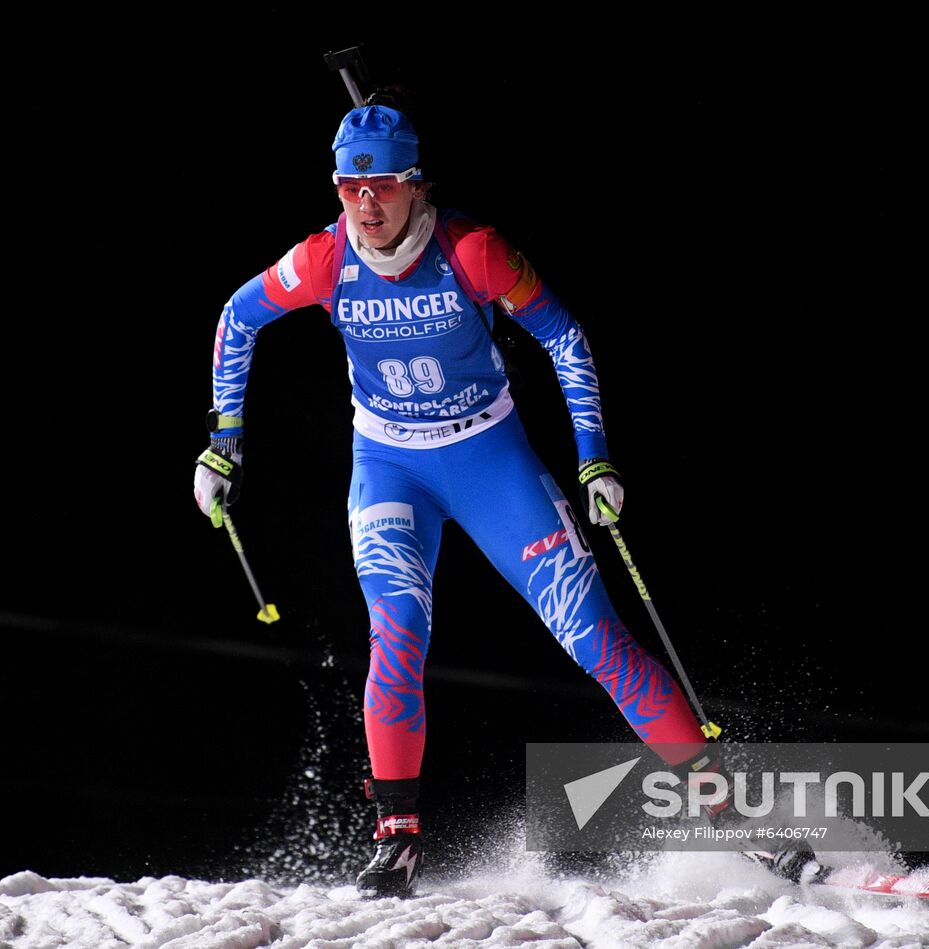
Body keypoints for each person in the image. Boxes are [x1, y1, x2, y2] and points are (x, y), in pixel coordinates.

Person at [194, 96, 724, 897]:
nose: (365, 205)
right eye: (348, 187)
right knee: (396, 633)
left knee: (594, 637)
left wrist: (595, 460)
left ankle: (732, 815)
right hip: (389, 466)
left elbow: (564, 336)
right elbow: (238, 317)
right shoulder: (324, 261)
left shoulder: (471, 251)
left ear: (415, 183)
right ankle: (398, 838)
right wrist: (223, 440)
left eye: (382, 187)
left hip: (488, 457)